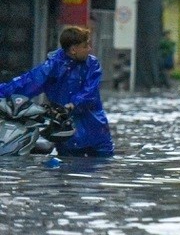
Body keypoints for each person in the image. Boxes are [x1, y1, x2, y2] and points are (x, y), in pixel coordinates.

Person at [0, 26, 114, 157]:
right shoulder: (52, 67)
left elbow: (90, 90)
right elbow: (26, 83)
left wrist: (73, 104)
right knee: (69, 167)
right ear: (73, 50)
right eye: (85, 46)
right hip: (66, 133)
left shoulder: (92, 64)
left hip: (96, 130)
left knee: (103, 162)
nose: (89, 49)